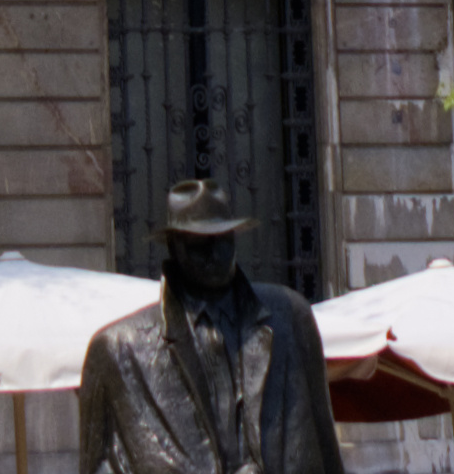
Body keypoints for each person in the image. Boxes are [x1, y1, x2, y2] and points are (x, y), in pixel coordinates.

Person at [79, 180, 344, 474]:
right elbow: (98, 464)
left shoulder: (289, 316)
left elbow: (324, 445)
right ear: (174, 246)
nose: (215, 256)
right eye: (199, 247)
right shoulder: (119, 349)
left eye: (223, 241)